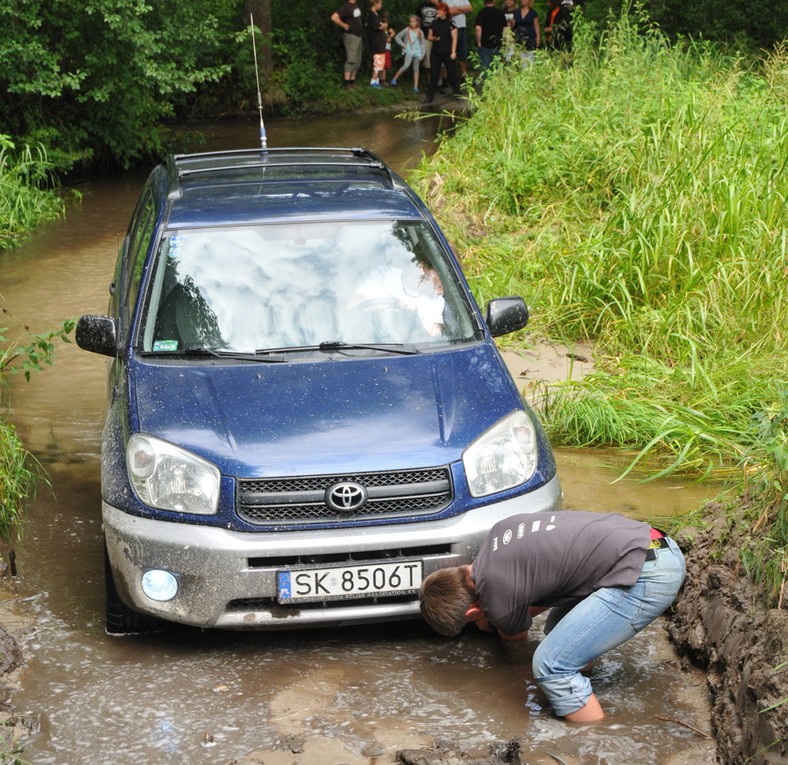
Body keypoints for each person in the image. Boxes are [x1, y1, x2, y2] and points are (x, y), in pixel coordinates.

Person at [419, 511, 686, 722]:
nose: (479, 624)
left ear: (472, 612)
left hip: (648, 573)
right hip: (650, 543)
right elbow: (544, 587)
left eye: (474, 623)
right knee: (557, 633)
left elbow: (516, 635)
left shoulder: (497, 592)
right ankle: (581, 693)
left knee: (550, 665)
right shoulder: (498, 534)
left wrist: (492, 621)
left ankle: (590, 738)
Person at [425, 3, 461, 103]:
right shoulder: (433, 23)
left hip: (448, 52)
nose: (438, 12)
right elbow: (428, 36)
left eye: (440, 10)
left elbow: (455, 39)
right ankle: (430, 96)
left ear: (445, 12)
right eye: (438, 10)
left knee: (452, 73)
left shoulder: (451, 24)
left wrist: (453, 52)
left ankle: (458, 95)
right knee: (434, 74)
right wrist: (434, 38)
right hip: (436, 52)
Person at [331, 0, 364, 87]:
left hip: (358, 35)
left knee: (358, 59)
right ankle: (347, 82)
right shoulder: (346, 6)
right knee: (351, 59)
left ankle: (352, 81)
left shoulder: (355, 6)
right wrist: (344, 25)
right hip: (351, 35)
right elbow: (334, 17)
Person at [392, 15, 427, 92]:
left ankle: (415, 87)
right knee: (406, 65)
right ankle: (394, 79)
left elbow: (423, 43)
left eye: (414, 21)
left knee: (416, 69)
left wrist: (423, 53)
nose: (412, 23)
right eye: (410, 21)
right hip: (409, 50)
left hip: (417, 51)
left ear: (417, 22)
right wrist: (402, 44)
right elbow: (397, 37)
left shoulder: (420, 32)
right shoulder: (407, 30)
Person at [474, 0, 507, 78]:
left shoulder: (481, 13)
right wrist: (505, 41)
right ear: (494, 1)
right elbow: (505, 28)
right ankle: (497, 87)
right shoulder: (500, 13)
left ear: (484, 2)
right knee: (498, 68)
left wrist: (478, 42)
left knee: (485, 68)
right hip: (498, 44)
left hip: (485, 45)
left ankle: (487, 87)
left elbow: (478, 28)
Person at [445, 0, 473, 78]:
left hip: (462, 27)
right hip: (451, 28)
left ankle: (464, 74)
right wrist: (463, 9)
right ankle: (450, 76)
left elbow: (470, 8)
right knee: (450, 51)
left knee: (463, 51)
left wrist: (457, 9)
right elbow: (449, 12)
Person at [365, 0, 389, 87]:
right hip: (376, 41)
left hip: (381, 41)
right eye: (380, 3)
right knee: (378, 61)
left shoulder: (377, 14)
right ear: (376, 3)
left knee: (381, 61)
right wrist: (383, 26)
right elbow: (378, 26)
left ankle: (377, 80)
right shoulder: (371, 14)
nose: (381, 5)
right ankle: (373, 80)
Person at [415, 0, 439, 81]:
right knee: (427, 60)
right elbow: (417, 21)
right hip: (425, 36)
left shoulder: (439, 6)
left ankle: (439, 82)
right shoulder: (421, 6)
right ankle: (429, 82)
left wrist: (437, 4)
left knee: (437, 60)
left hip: (438, 36)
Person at [512, 0, 540, 67]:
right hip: (519, 39)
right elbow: (513, 25)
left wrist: (538, 38)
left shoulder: (533, 13)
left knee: (530, 59)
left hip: (530, 39)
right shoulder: (516, 12)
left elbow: (536, 26)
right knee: (521, 60)